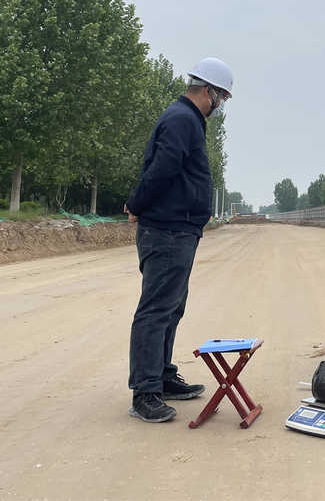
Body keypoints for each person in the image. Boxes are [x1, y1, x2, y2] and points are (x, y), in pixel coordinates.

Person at [124, 57, 233, 423]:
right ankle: (145, 392)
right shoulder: (182, 119)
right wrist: (137, 204)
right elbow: (162, 169)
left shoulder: (187, 119)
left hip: (179, 230)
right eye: (222, 98)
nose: (221, 105)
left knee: (171, 307)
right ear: (209, 92)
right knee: (156, 310)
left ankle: (162, 376)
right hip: (166, 230)